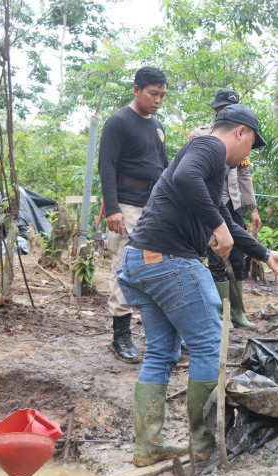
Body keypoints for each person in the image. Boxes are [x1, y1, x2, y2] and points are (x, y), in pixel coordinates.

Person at [117, 104, 278, 467]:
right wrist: (218, 228)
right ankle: (203, 444)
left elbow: (227, 215)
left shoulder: (210, 167)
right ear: (241, 132)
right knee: (206, 345)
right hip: (170, 261)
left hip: (142, 259)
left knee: (161, 354)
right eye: (251, 147)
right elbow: (187, 181)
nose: (247, 158)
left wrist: (264, 253)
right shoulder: (210, 147)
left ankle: (147, 446)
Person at [98, 67, 169, 364]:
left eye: (162, 95)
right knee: (123, 268)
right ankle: (120, 337)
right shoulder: (118, 122)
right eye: (153, 93)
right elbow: (107, 165)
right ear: (136, 90)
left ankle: (156, 332)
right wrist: (112, 208)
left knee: (153, 266)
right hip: (126, 205)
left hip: (153, 207)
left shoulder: (157, 126)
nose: (158, 100)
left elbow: (163, 168)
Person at [189, 88, 262, 328]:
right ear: (215, 109)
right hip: (210, 202)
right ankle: (221, 312)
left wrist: (253, 207)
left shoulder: (242, 135)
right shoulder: (200, 135)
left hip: (232, 203)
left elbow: (244, 173)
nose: (225, 111)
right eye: (221, 108)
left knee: (239, 258)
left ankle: (238, 312)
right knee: (217, 257)